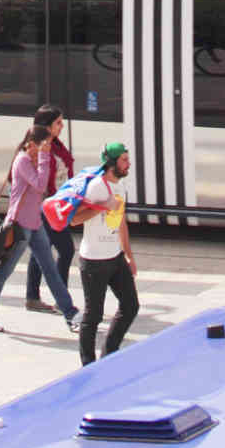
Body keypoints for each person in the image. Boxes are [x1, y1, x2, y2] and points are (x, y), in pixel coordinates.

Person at [0, 127, 78, 333]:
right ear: (31, 144)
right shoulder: (22, 160)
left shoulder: (33, 159)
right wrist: (43, 156)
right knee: (4, 271)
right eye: (45, 145)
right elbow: (40, 185)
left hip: (35, 224)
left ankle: (71, 314)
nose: (48, 149)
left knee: (50, 270)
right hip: (20, 226)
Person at [74, 141, 139, 366]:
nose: (128, 163)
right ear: (111, 163)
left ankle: (109, 353)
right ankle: (87, 365)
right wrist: (102, 206)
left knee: (131, 306)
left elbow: (121, 222)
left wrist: (129, 255)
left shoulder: (121, 187)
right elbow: (75, 219)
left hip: (115, 257)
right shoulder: (96, 188)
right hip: (93, 261)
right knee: (93, 316)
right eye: (124, 159)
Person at [26, 105, 75, 314]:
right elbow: (38, 179)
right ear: (47, 126)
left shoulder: (56, 145)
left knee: (40, 251)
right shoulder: (38, 148)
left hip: (57, 205)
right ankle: (60, 299)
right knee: (65, 250)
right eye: (58, 123)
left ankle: (33, 297)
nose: (62, 126)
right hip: (46, 207)